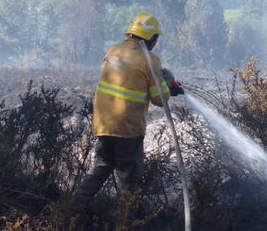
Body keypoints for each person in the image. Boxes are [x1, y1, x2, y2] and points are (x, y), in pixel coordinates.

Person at [73, 12, 184, 205]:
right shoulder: (150, 60)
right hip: (128, 128)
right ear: (151, 38)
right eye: (156, 39)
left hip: (104, 124)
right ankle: (126, 218)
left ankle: (72, 209)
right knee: (129, 182)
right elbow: (160, 99)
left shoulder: (113, 51)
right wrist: (168, 86)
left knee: (101, 166)